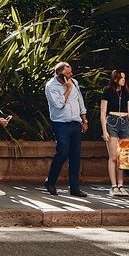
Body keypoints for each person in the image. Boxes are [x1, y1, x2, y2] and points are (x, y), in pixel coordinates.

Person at [44, 61, 88, 197]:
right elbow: (58, 105)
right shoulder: (51, 86)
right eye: (68, 73)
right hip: (61, 124)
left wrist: (84, 120)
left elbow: (80, 101)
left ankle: (74, 188)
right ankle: (50, 182)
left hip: (76, 123)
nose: (71, 75)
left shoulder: (74, 82)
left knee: (75, 156)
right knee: (62, 152)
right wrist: (67, 89)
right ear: (61, 74)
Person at [100, 69, 129, 197]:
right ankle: (113, 185)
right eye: (121, 78)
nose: (123, 80)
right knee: (114, 157)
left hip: (125, 122)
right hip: (112, 122)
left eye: (124, 78)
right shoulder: (107, 91)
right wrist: (104, 130)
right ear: (115, 78)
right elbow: (103, 112)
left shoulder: (126, 93)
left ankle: (121, 185)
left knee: (123, 157)